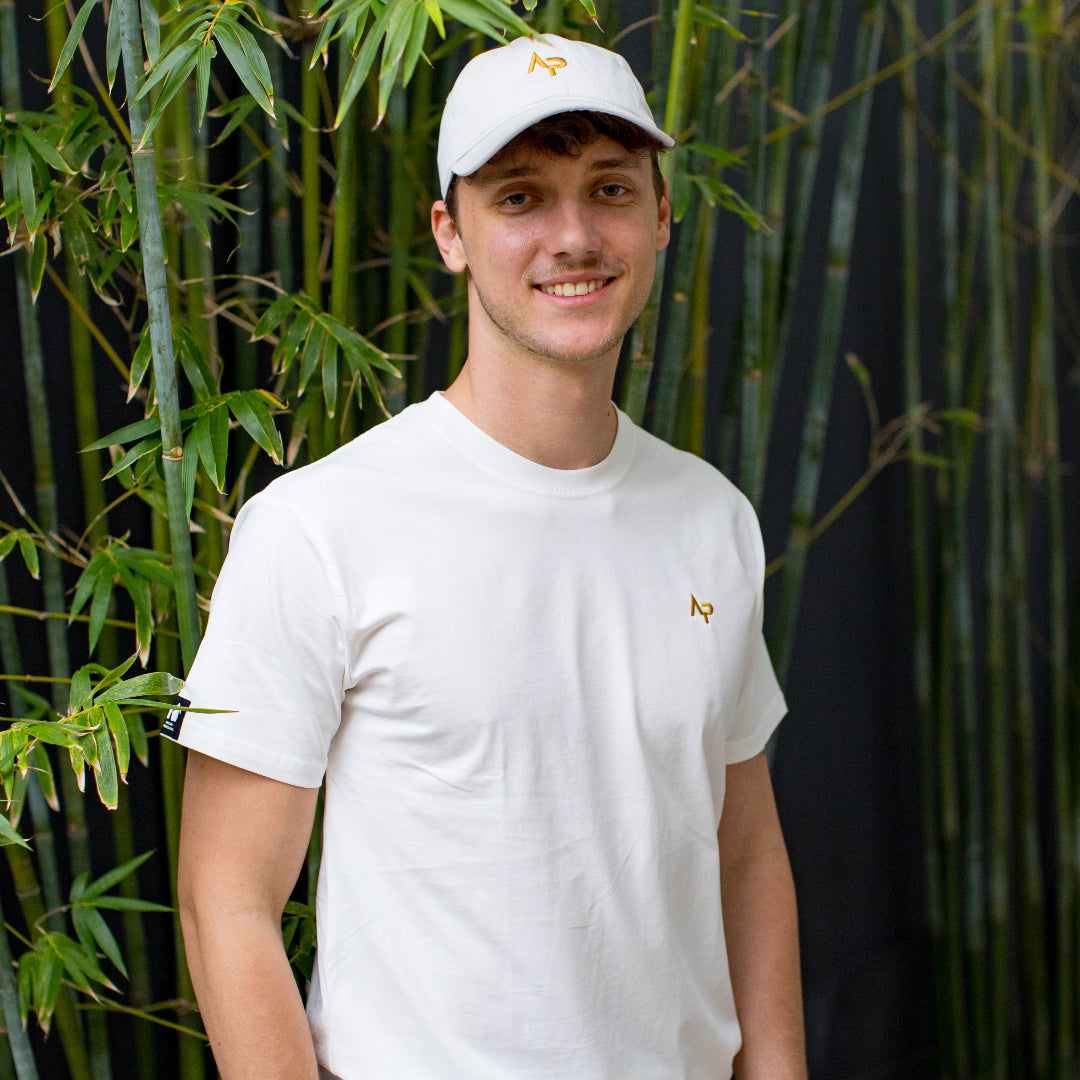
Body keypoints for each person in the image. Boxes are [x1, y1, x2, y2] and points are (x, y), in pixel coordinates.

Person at [170, 33, 807, 1080]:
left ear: (660, 215)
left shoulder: (711, 517)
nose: (573, 234)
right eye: (520, 197)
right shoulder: (319, 526)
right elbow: (225, 901)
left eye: (608, 189)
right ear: (450, 231)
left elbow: (742, 850)